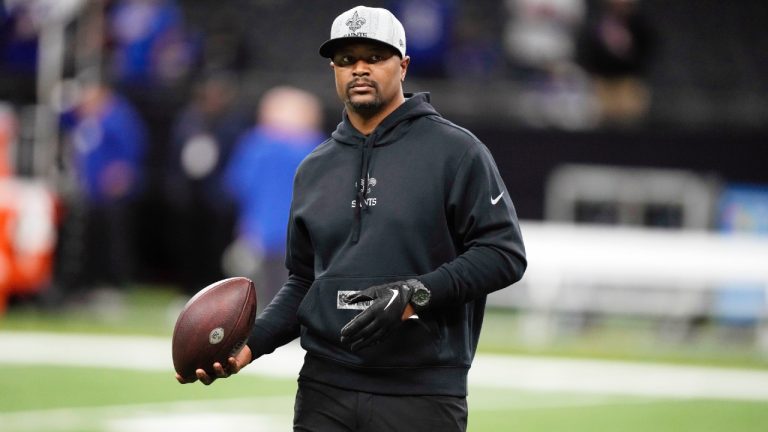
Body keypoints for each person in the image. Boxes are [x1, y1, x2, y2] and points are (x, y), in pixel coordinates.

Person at [177, 6, 527, 431]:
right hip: (324, 388)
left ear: (403, 65)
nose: (359, 69)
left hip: (421, 392)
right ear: (333, 70)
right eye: (346, 60)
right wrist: (249, 345)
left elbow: (503, 254)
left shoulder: (456, 152)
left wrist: (415, 294)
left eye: (374, 57)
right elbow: (304, 282)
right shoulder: (315, 167)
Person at [222, 85, 324, 309]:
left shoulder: (258, 144)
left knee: (271, 285)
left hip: (267, 229)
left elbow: (236, 184)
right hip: (298, 231)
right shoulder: (317, 147)